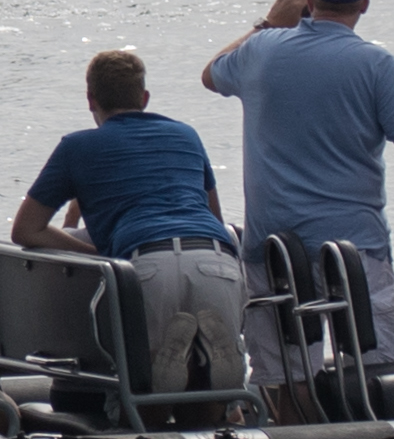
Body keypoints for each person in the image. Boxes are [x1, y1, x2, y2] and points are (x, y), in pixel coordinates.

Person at [203, 0, 394, 417]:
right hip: (355, 251)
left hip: (273, 251)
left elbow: (211, 73)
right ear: (365, 4)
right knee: (377, 377)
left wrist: (267, 24)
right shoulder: (375, 64)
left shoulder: (262, 49)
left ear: (309, 1)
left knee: (286, 381)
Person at [14, 48, 247, 403]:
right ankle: (221, 388)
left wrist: (97, 252)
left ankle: (158, 389)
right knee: (207, 393)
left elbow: (27, 230)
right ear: (145, 98)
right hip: (215, 258)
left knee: (145, 392)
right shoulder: (186, 135)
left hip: (147, 264)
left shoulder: (77, 146)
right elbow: (213, 215)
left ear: (91, 100)